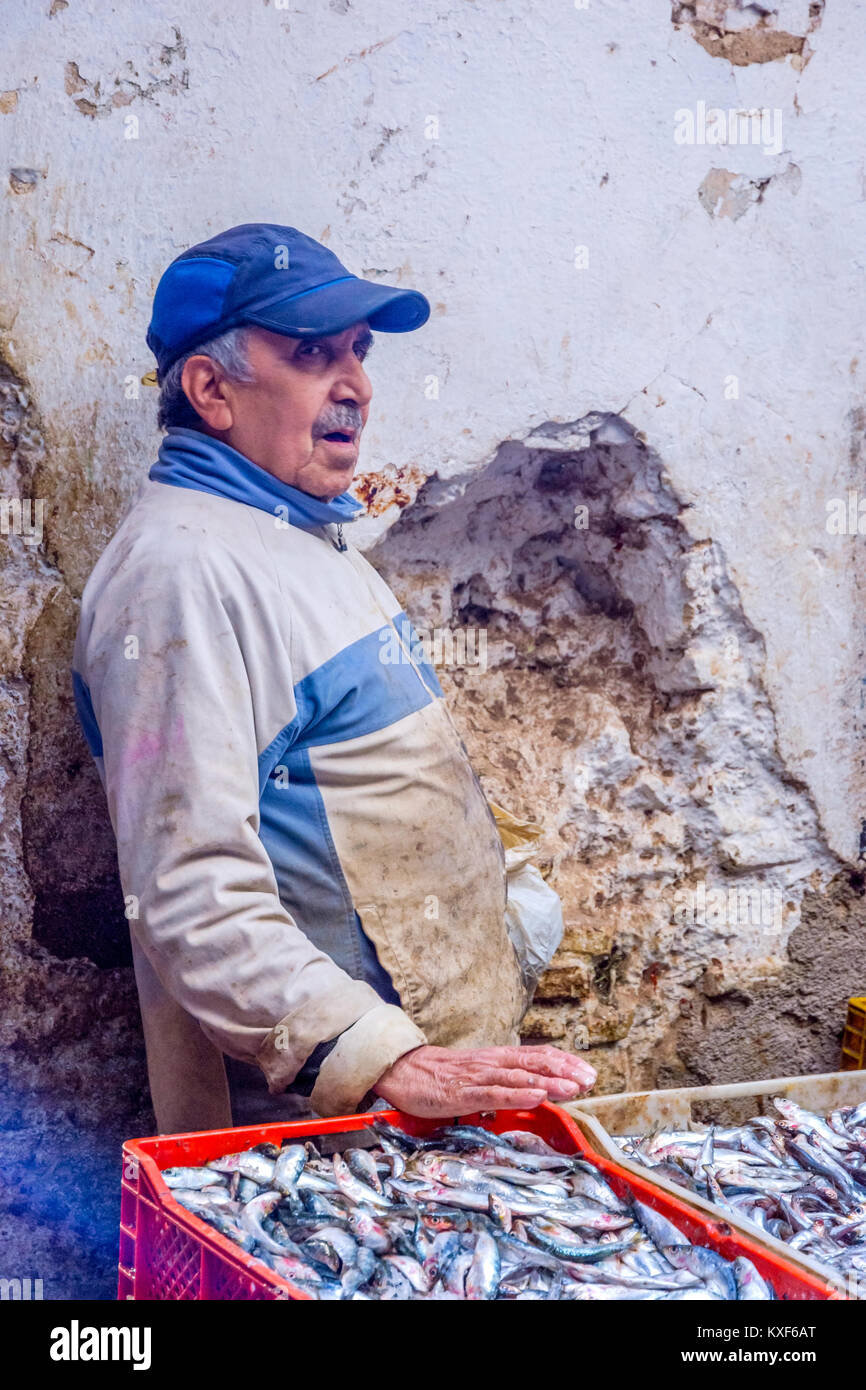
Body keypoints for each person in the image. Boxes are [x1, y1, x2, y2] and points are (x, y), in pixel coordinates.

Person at [72, 222, 596, 1133]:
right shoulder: (179, 572)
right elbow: (188, 885)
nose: (355, 382)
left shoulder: (296, 530)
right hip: (322, 1127)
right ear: (210, 389)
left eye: (357, 350)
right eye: (313, 353)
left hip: (419, 1095)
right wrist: (385, 1057)